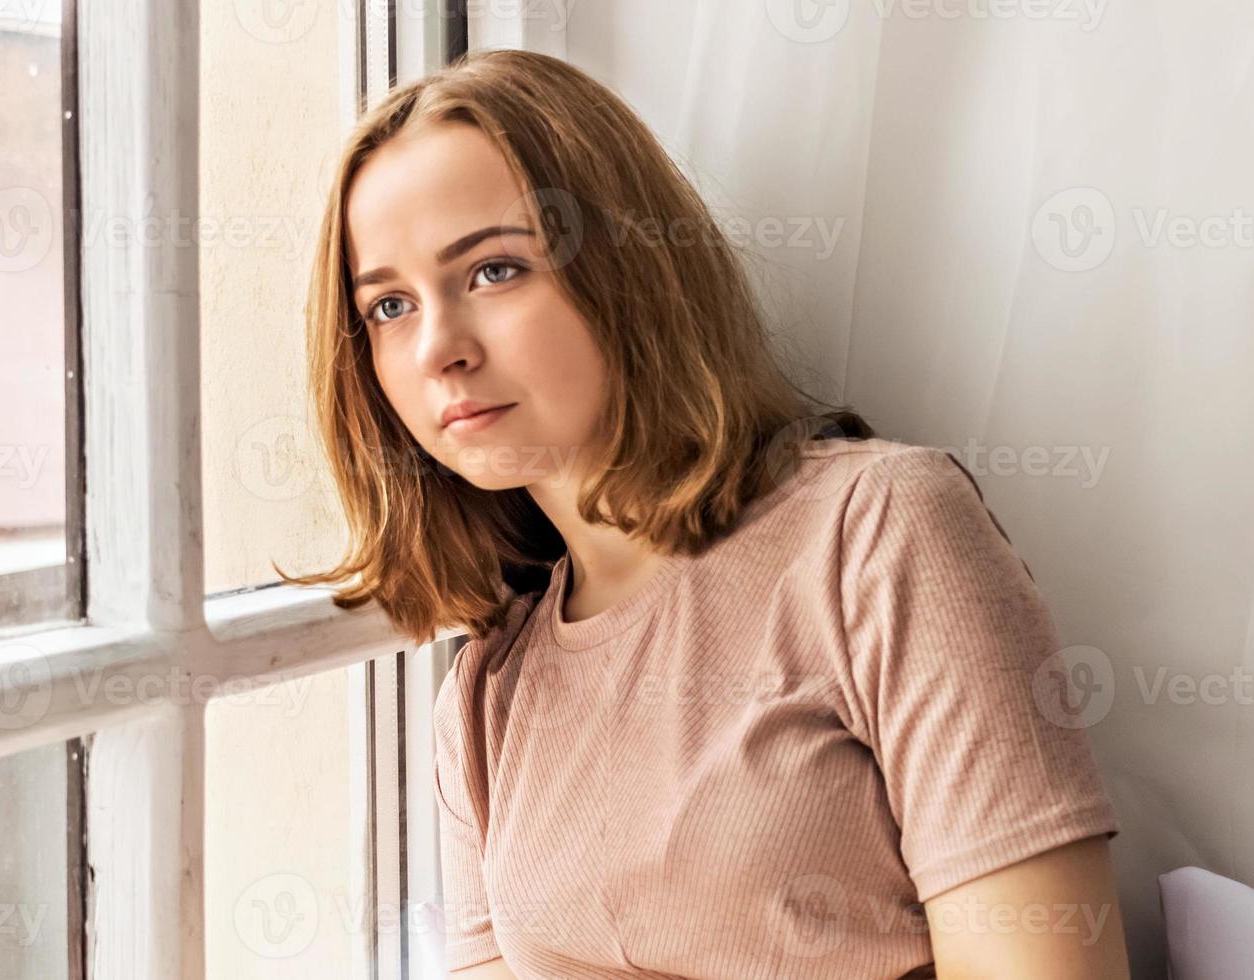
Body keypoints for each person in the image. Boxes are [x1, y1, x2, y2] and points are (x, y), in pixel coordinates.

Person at [281, 48, 1130, 980]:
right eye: (390, 305)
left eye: (492, 271)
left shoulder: (880, 531)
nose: (439, 345)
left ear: (627, 266)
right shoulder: (489, 689)